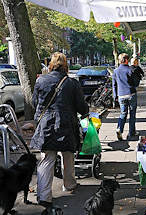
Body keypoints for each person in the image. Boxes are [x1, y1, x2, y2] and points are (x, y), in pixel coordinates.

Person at [31, 52, 89, 208]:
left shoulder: (41, 80)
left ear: (51, 64)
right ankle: (69, 184)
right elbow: (80, 105)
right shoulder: (71, 83)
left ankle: (44, 196)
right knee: (68, 155)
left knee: (46, 159)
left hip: (46, 125)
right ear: (65, 65)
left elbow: (34, 102)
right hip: (66, 124)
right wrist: (85, 114)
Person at [112, 53, 139, 141]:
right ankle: (132, 132)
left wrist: (115, 96)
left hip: (121, 95)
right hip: (131, 94)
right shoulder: (130, 70)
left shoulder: (115, 71)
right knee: (132, 114)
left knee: (123, 113)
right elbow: (136, 83)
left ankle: (119, 129)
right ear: (127, 60)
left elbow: (114, 85)